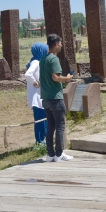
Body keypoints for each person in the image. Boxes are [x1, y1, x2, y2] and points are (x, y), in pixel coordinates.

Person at [39, 33, 74, 162]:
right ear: (55, 45)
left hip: (46, 98)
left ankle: (50, 154)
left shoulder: (43, 59)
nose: (61, 45)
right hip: (55, 97)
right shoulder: (54, 59)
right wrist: (67, 78)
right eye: (60, 43)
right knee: (60, 125)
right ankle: (59, 154)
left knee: (51, 126)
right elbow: (55, 77)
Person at [24, 42, 49, 144]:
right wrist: (34, 82)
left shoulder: (40, 62)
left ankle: (45, 139)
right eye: (45, 50)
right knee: (40, 120)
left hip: (41, 95)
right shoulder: (35, 62)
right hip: (36, 96)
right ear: (41, 51)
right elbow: (28, 74)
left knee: (44, 118)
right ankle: (40, 141)